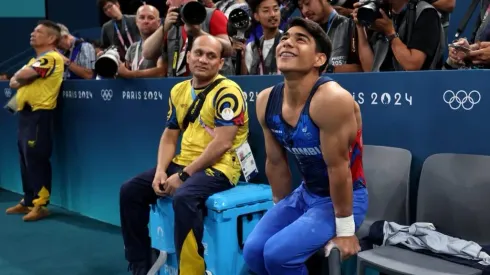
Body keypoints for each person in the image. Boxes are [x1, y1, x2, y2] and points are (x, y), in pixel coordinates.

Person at [242, 17, 368, 274]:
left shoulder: (331, 99)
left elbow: (339, 169)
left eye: (301, 40)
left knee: (277, 255)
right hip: (305, 194)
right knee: (254, 252)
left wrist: (345, 231)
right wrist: (281, 212)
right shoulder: (266, 100)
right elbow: (275, 163)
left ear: (319, 59)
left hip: (344, 199)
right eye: (285, 37)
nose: (287, 42)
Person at [119, 34, 249, 275]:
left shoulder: (228, 92)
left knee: (184, 197)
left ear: (221, 63)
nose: (203, 60)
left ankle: (190, 270)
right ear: (188, 57)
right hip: (183, 162)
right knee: (130, 190)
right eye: (198, 53)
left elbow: (222, 143)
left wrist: (184, 176)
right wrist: (160, 170)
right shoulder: (178, 90)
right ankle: (139, 263)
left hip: (221, 167)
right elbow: (169, 135)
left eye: (211, 56)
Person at [5, 20, 64, 221]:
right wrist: (22, 77)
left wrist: (22, 77)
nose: (32, 34)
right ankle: (28, 200)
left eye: (38, 31)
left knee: (36, 159)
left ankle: (41, 204)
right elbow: (14, 81)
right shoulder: (34, 60)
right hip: (24, 115)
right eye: (33, 30)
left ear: (51, 38)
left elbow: (22, 75)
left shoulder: (52, 58)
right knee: (24, 159)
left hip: (40, 115)